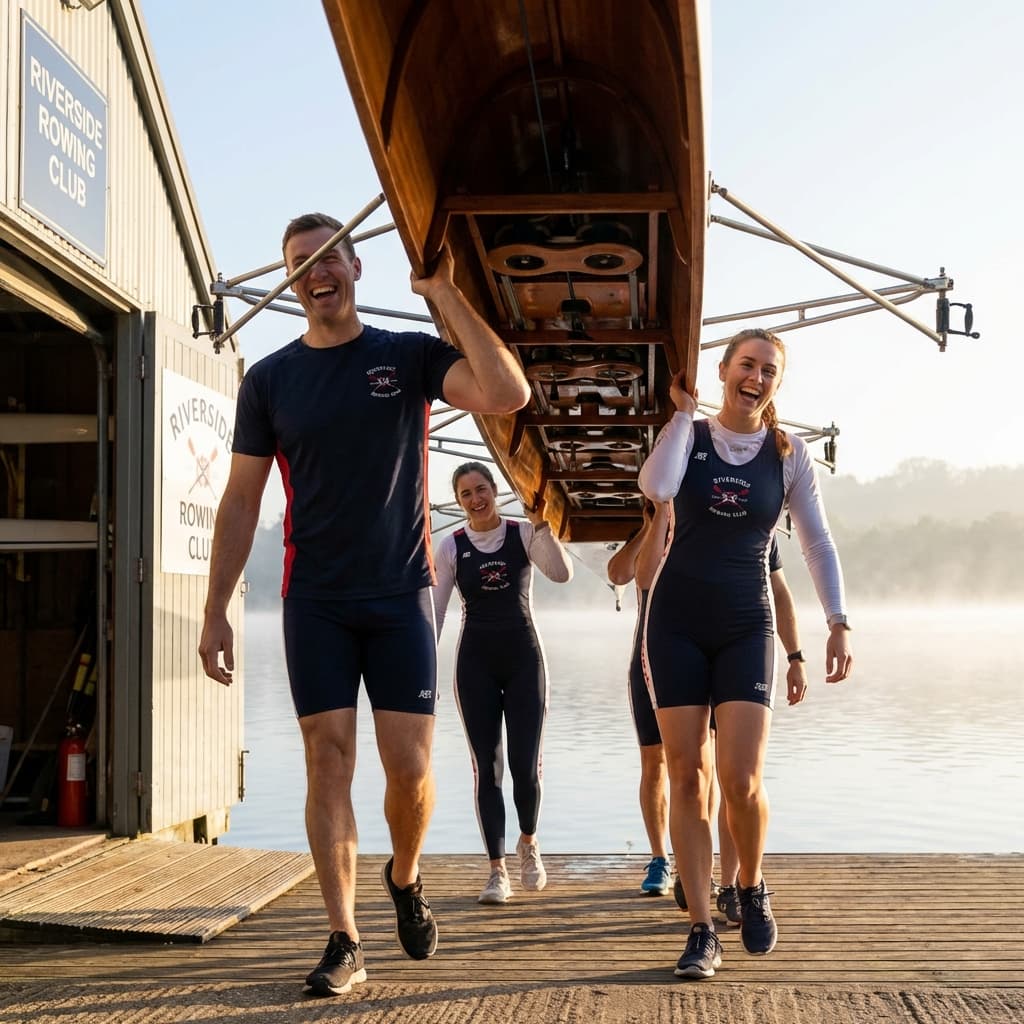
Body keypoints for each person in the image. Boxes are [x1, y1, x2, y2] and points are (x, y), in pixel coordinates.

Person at [197, 214, 530, 998]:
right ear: (290, 283)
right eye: (298, 265)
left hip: (399, 594)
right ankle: (344, 937)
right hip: (314, 599)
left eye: (327, 258)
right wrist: (215, 609)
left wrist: (443, 292)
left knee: (410, 773)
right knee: (327, 762)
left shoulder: (405, 355)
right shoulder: (270, 380)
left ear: (354, 266)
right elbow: (242, 500)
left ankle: (404, 876)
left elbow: (507, 392)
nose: (316, 273)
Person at [638, 327, 852, 980]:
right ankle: (701, 928)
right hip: (674, 622)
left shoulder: (788, 452)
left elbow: (815, 542)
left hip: (744, 624)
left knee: (740, 780)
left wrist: (837, 621)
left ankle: (751, 885)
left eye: (769, 371)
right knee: (688, 778)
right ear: (724, 370)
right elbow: (657, 484)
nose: (756, 377)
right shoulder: (691, 437)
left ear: (776, 385)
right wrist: (680, 413)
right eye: (746, 365)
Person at [607, 504, 807, 908]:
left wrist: (795, 655)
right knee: (658, 765)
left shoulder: (749, 528)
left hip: (723, 656)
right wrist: (651, 525)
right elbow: (623, 574)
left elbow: (780, 592)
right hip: (657, 658)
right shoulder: (657, 524)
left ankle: (729, 882)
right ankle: (664, 859)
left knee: (721, 772)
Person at [432, 461, 572, 904]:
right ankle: (496, 872)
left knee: (524, 766)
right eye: (466, 495)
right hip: (474, 664)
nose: (476, 500)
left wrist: (542, 526)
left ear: (495, 490)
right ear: (459, 503)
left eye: (481, 489)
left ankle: (528, 843)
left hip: (525, 660)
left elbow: (561, 573)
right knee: (486, 770)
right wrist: (418, 670)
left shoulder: (523, 534)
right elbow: (433, 615)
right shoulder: (451, 547)